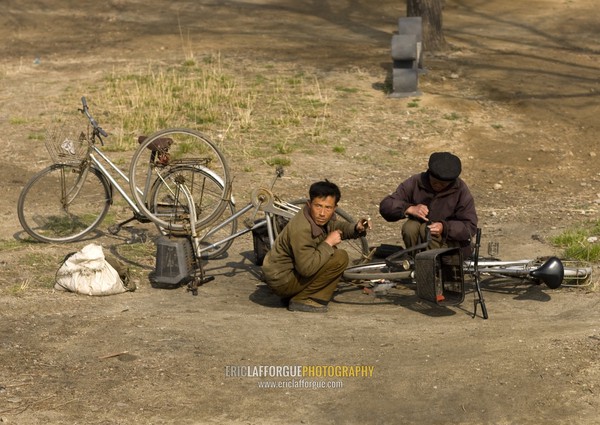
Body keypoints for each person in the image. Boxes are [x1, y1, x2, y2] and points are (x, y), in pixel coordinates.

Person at [262, 180, 370, 313]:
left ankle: (296, 293)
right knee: (339, 258)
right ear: (309, 204)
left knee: (332, 253)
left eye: (328, 208)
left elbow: (335, 226)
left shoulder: (315, 216)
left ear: (334, 208)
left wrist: (356, 228)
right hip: (281, 281)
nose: (322, 213)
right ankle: (302, 299)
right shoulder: (302, 229)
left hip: (286, 275)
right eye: (318, 206)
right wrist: (328, 243)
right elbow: (306, 269)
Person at [379, 152, 477, 258]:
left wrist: (444, 227)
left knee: (429, 232)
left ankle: (436, 268)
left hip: (450, 248)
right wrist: (408, 208)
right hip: (421, 242)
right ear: (429, 174)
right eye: (434, 182)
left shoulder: (461, 190)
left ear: (452, 182)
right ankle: (417, 263)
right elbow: (386, 205)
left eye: (443, 184)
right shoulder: (416, 181)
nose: (438, 186)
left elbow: (470, 226)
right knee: (410, 227)